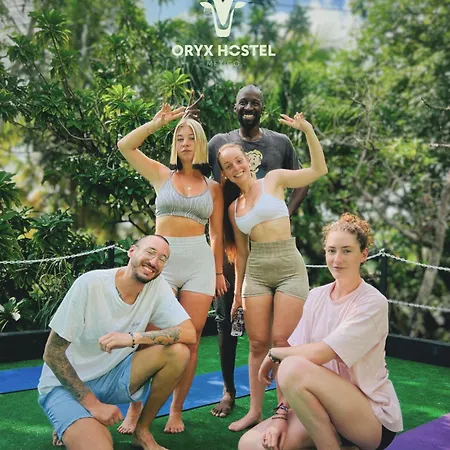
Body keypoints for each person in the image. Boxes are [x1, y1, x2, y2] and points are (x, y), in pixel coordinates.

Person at [238, 214, 403, 450]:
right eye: (331, 251)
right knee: (250, 445)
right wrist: (280, 416)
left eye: (347, 251)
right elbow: (295, 354)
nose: (337, 259)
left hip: (370, 417)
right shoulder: (316, 296)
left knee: (291, 366)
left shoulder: (373, 302)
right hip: (319, 408)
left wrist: (274, 353)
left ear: (364, 255)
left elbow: (321, 353)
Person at [116, 104, 227, 434]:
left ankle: (176, 410)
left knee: (191, 341)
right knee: (149, 336)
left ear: (200, 142)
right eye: (179, 138)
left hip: (199, 263)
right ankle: (135, 410)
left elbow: (217, 234)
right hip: (161, 262)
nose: (185, 143)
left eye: (191, 137)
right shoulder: (161, 175)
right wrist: (155, 124)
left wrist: (218, 272)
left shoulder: (213, 187)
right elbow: (125, 146)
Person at [216, 111, 328, 432]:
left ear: (248, 160)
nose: (236, 167)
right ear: (225, 174)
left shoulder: (274, 179)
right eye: (228, 166)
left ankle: (283, 411)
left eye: (238, 161)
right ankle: (254, 412)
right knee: (257, 344)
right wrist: (237, 295)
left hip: (289, 266)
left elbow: (318, 170)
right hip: (257, 272)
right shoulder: (233, 208)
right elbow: (241, 254)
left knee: (281, 342)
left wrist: (307, 129)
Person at [38, 235, 196, 450]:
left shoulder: (156, 286)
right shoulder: (90, 283)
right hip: (64, 386)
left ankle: (142, 431)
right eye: (150, 252)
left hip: (113, 376)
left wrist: (133, 338)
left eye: (162, 258)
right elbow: (52, 353)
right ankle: (72, 418)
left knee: (179, 352)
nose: (154, 262)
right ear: (131, 251)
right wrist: (93, 405)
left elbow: (189, 333)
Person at [208, 85, 309, 419]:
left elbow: (303, 181)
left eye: (255, 103)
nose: (249, 107)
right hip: (233, 237)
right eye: (243, 102)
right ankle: (228, 390)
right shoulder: (218, 142)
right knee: (228, 315)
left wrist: (282, 213)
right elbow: (209, 186)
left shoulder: (280, 142)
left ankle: (284, 402)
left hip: (272, 245)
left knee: (276, 334)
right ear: (234, 107)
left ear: (262, 109)